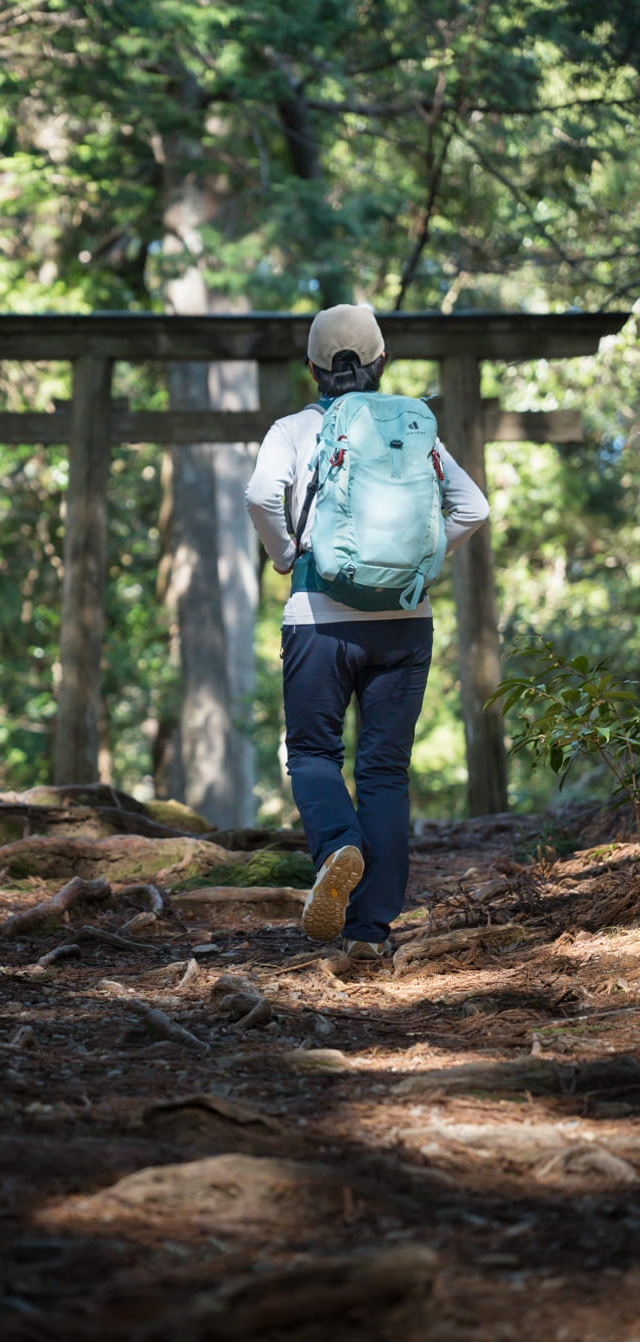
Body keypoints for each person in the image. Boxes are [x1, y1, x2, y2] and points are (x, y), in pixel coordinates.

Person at [245, 304, 489, 959]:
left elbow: (261, 497)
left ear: (312, 369)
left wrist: (286, 553)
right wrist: (423, 565)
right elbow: (473, 507)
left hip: (318, 617)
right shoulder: (415, 428)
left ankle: (337, 846)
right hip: (407, 623)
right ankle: (369, 933)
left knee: (314, 756)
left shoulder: (294, 429)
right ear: (381, 363)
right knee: (385, 773)